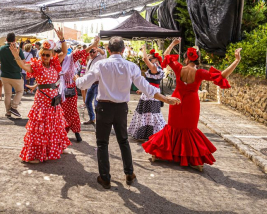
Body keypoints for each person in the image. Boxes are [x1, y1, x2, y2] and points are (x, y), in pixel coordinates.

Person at [74, 36, 180, 189]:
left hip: (104, 108)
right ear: (123, 50)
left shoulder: (101, 65)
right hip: (121, 108)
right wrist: (165, 98)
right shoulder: (130, 66)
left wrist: (77, 78)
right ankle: (129, 173)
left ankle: (105, 178)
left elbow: (84, 83)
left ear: (109, 50)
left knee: (102, 143)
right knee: (123, 141)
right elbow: (146, 87)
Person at [143, 38, 242, 171]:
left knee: (173, 127)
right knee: (189, 130)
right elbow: (222, 76)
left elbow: (166, 56)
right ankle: (194, 161)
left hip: (176, 100)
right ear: (197, 60)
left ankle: (160, 153)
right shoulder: (200, 73)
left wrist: (173, 44)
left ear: (186, 59)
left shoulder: (178, 68)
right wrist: (236, 60)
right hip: (192, 103)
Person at [10, 28, 70, 163]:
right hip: (42, 102)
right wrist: (16, 55)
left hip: (54, 100)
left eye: (48, 55)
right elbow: (23, 66)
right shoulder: (36, 66)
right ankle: (34, 155)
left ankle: (58, 147)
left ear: (52, 55)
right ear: (40, 54)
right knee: (40, 128)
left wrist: (62, 39)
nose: (45, 57)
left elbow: (65, 52)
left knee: (56, 124)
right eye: (43, 54)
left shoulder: (55, 64)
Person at [59, 37, 100, 142]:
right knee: (61, 113)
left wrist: (93, 44)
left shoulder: (70, 58)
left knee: (73, 112)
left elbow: (83, 52)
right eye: (58, 53)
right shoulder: (54, 61)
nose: (60, 55)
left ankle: (76, 132)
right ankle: (62, 133)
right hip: (59, 91)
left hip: (71, 90)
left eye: (61, 52)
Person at [128, 45, 166, 140]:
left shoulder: (155, 68)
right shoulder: (157, 68)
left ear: (156, 60)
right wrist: (142, 90)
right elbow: (151, 83)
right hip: (150, 92)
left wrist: (144, 49)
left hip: (151, 94)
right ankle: (149, 134)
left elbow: (144, 58)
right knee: (149, 114)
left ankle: (150, 134)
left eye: (151, 58)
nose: (149, 59)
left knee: (149, 114)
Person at [0, 33, 25, 118]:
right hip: (15, 74)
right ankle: (14, 107)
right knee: (20, 91)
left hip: (4, 74)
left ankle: (8, 112)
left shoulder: (1, 49)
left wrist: (1, 63)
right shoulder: (17, 49)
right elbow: (23, 62)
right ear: (15, 40)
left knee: (7, 94)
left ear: (6, 39)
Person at [83, 43, 106, 125]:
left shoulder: (100, 57)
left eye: (93, 52)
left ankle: (100, 120)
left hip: (97, 84)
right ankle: (92, 118)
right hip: (91, 84)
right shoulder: (90, 59)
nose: (92, 53)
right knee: (87, 101)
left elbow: (104, 53)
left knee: (96, 103)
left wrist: (98, 49)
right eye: (90, 52)